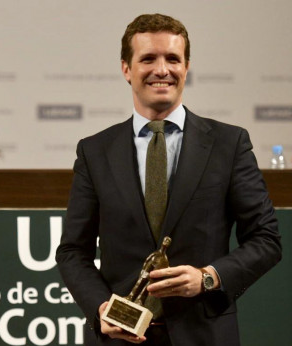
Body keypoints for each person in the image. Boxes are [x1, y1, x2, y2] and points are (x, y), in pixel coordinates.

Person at [56, 13, 282, 346]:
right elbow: (73, 251)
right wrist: (100, 308)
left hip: (205, 336)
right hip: (122, 339)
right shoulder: (94, 151)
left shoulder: (228, 144)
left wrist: (207, 278)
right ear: (126, 69)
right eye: (148, 58)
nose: (162, 69)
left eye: (173, 59)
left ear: (186, 67)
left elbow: (266, 240)